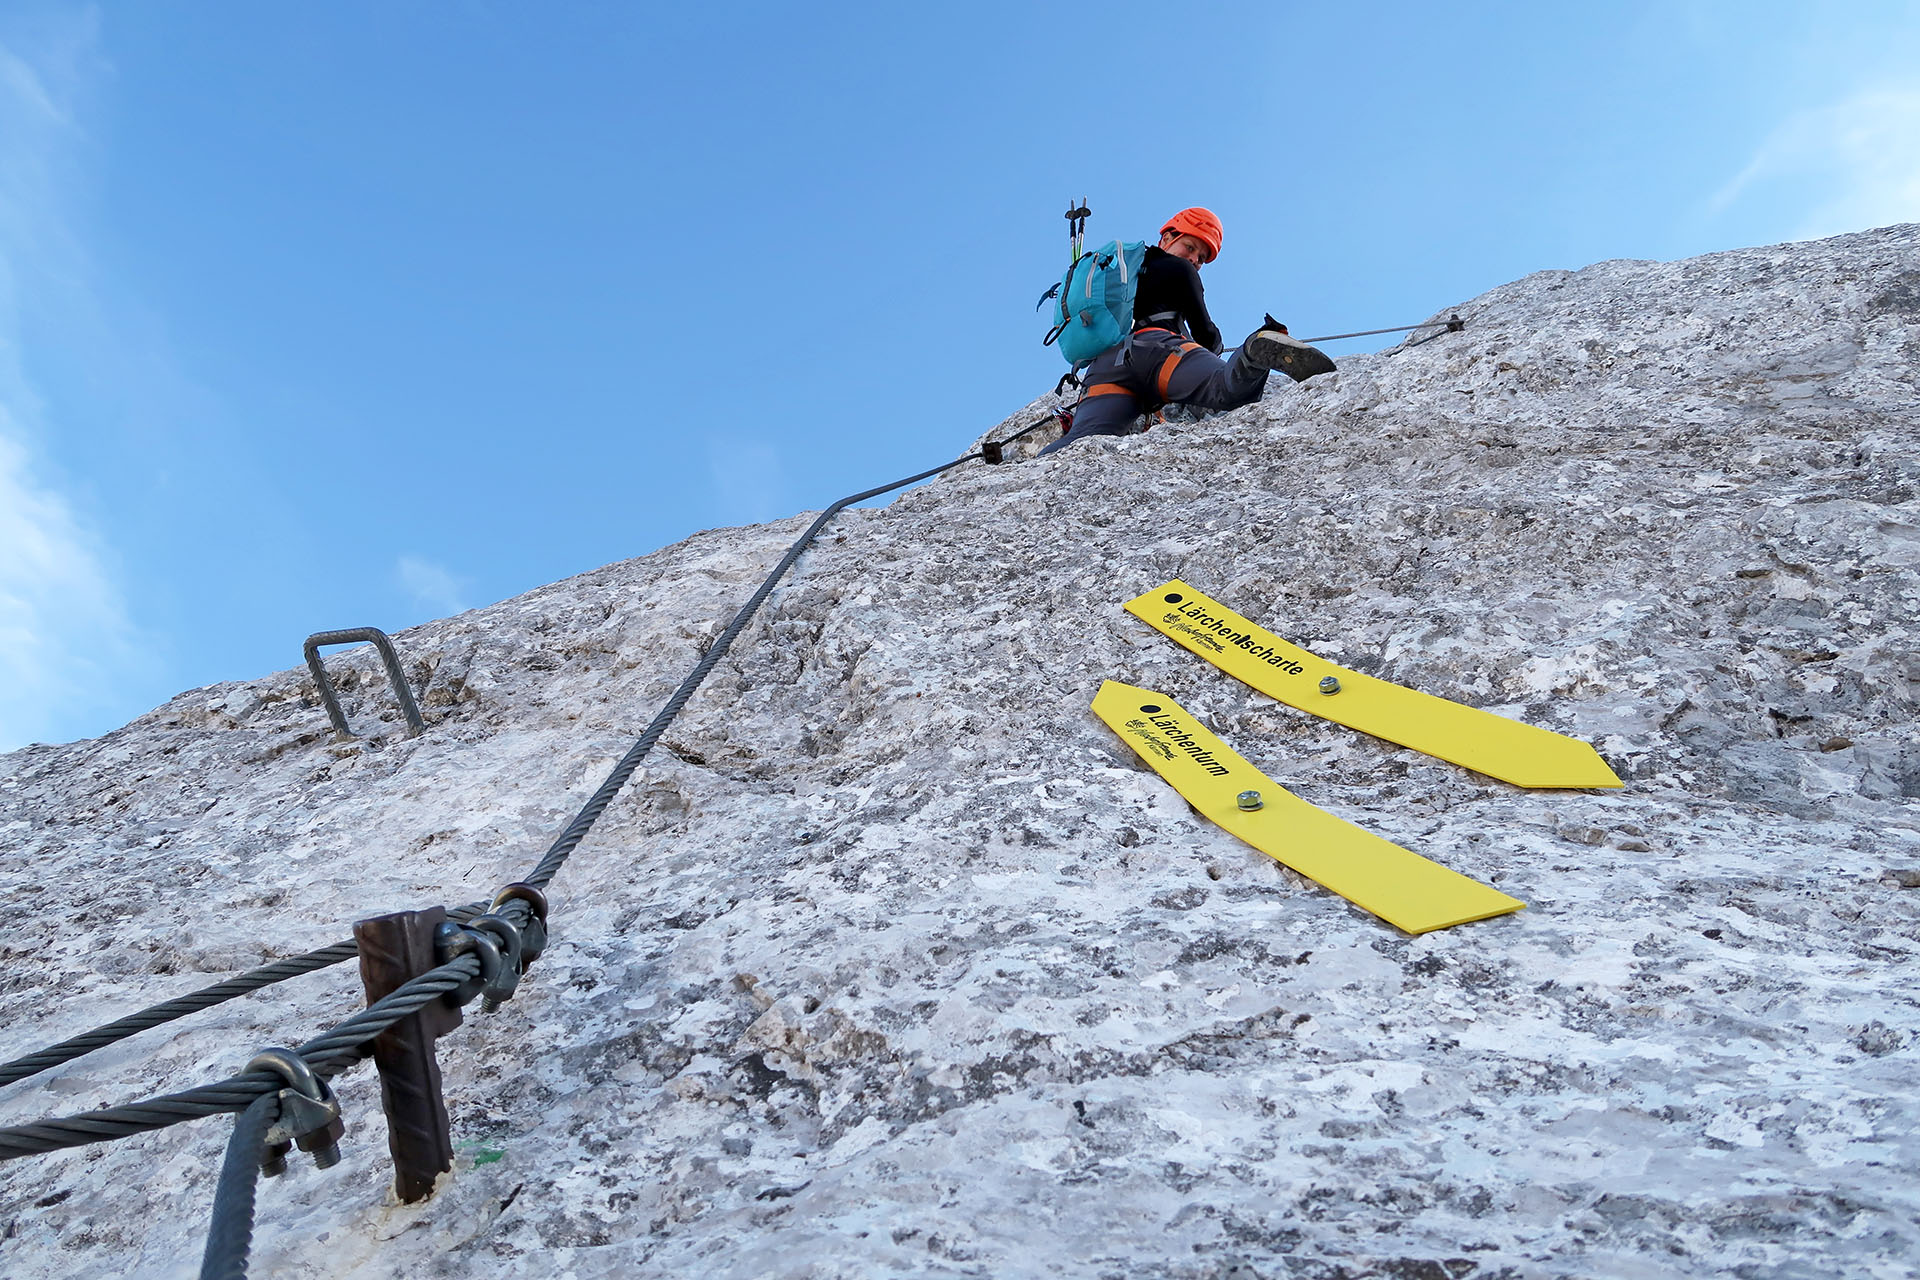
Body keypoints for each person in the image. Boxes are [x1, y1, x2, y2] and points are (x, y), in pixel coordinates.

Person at [1038, 207, 1331, 456]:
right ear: (1167, 238)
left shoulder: (1120, 274)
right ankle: (1256, 350)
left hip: (1106, 370)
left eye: (1201, 258)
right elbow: (1206, 335)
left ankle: (1027, 470)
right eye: (1190, 248)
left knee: (1082, 445)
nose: (1194, 260)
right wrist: (1210, 348)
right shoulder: (1178, 269)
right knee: (1226, 389)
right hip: (1158, 352)